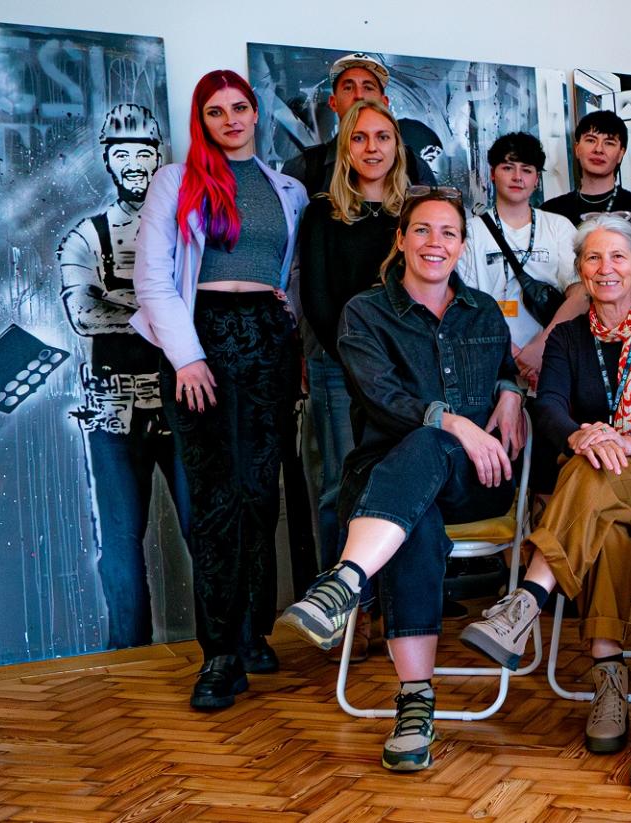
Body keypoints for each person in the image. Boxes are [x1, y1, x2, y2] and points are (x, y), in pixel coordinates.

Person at [277, 188, 526, 772]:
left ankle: (344, 581)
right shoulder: (364, 313)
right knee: (417, 506)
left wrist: (510, 393)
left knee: (434, 448)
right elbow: (382, 399)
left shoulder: (484, 311)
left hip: (475, 476)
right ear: (400, 239)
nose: (434, 243)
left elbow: (507, 370)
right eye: (421, 230)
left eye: (447, 233)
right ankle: (416, 703)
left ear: (462, 246)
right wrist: (455, 421)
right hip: (388, 474)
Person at [458, 214, 631, 754]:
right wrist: (581, 438)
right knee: (604, 513)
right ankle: (608, 675)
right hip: (596, 477)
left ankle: (525, 600)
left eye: (618, 256)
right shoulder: (567, 337)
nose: (606, 267)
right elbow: (548, 406)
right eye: (593, 258)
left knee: (596, 479)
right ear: (581, 272)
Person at [129, 69, 308, 711]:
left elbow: (286, 269)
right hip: (200, 338)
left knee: (262, 491)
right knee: (214, 498)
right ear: (200, 121)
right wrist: (188, 358)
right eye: (215, 112)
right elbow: (151, 279)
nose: (230, 120)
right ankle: (219, 655)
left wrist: (284, 322)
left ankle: (253, 631)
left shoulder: (286, 187)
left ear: (255, 113)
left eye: (239, 108)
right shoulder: (175, 181)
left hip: (269, 341)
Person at [57, 103, 190, 651]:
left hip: (183, 401)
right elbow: (84, 314)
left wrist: (128, 304)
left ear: (159, 157)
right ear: (107, 161)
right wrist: (163, 312)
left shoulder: (189, 226)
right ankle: (128, 654)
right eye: (122, 153)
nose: (134, 163)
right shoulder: (84, 237)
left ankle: (220, 645)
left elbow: (205, 302)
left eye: (144, 152)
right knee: (118, 540)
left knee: (202, 532)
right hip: (113, 409)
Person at [297, 98, 409, 646]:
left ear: (397, 146)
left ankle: (395, 606)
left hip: (401, 373)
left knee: (395, 486)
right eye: (360, 138)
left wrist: (392, 366)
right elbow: (317, 300)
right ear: (346, 148)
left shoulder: (412, 215)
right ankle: (345, 612)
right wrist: (358, 362)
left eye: (382, 137)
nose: (372, 148)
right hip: (338, 368)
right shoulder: (322, 212)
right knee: (340, 488)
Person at [458, 132, 584, 385]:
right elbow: (464, 301)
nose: (517, 177)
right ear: (493, 173)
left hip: (552, 358)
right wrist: (512, 353)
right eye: (508, 168)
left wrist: (540, 347)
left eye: (527, 170)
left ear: (537, 179)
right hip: (489, 363)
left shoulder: (558, 226)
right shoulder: (469, 231)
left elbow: (581, 293)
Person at [541, 110, 631, 304]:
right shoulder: (551, 211)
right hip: (567, 325)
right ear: (577, 148)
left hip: (628, 325)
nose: (598, 149)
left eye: (609, 143)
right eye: (591, 140)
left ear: (621, 154)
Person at [280, 52, 434, 197]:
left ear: (384, 102)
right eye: (348, 88)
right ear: (333, 103)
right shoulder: (304, 168)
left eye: (368, 87)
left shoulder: (414, 168)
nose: (359, 95)